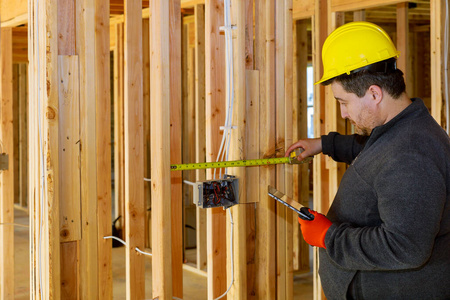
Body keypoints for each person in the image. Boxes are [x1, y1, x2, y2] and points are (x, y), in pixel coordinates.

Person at [285, 21, 450, 299]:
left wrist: (329, 237)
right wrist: (324, 144)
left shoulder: (411, 155)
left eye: (343, 102)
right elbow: (375, 151)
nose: (344, 113)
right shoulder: (400, 128)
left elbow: (405, 247)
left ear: (374, 93)